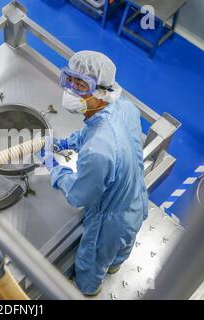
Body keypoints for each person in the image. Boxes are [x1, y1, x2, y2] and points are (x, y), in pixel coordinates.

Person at [40, 51, 149, 296]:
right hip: (137, 200)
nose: (70, 91)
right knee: (119, 253)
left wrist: (55, 169)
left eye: (81, 86)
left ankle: (88, 290)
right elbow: (97, 129)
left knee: (92, 267)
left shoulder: (98, 152)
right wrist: (67, 143)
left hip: (110, 223)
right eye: (70, 80)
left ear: (101, 92)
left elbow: (81, 196)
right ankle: (115, 266)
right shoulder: (124, 107)